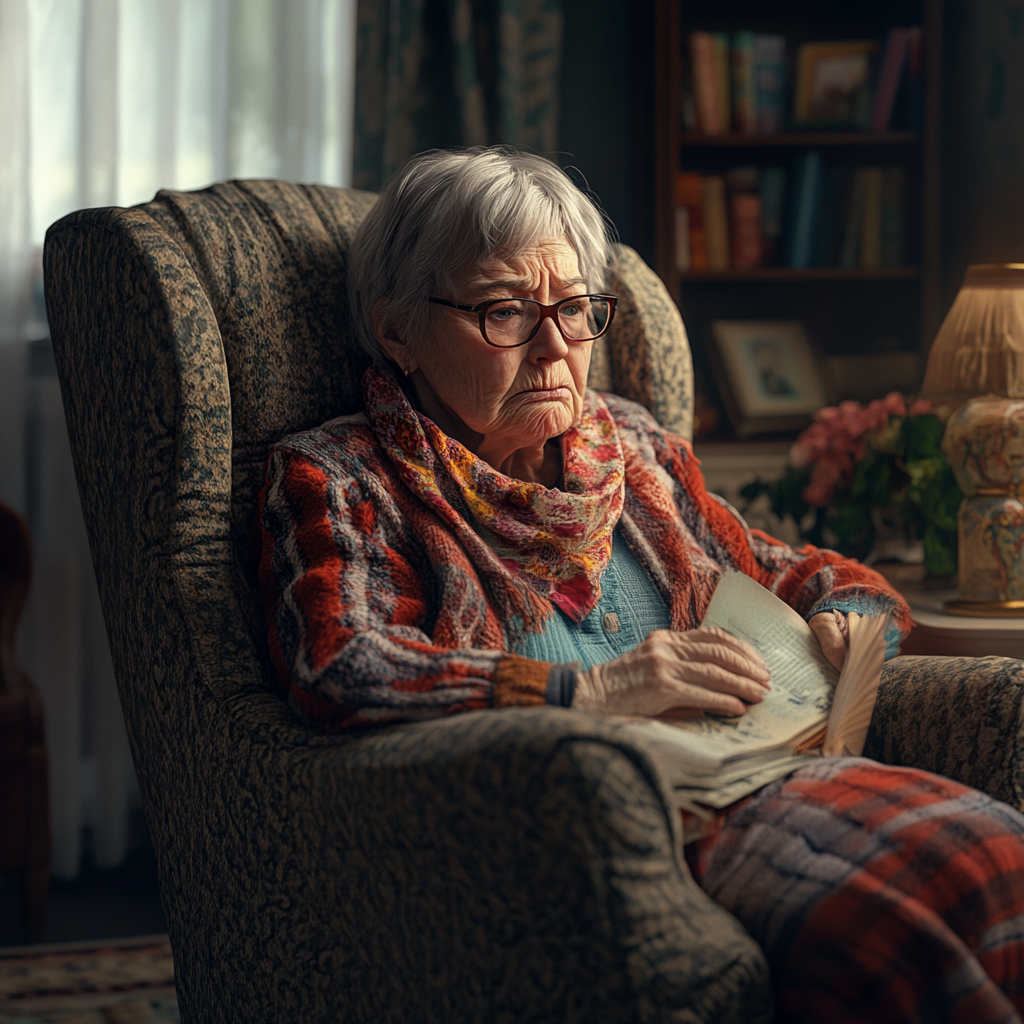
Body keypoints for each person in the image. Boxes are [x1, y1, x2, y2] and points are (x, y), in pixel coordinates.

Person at [258, 147, 1024, 1023]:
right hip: (607, 831)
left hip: (771, 775)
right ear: (398, 330)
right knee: (894, 941)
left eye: (577, 309)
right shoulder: (341, 476)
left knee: (999, 862)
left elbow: (797, 570)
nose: (556, 348)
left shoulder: (631, 444)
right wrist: (593, 691)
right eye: (506, 311)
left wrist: (848, 616)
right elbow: (342, 662)